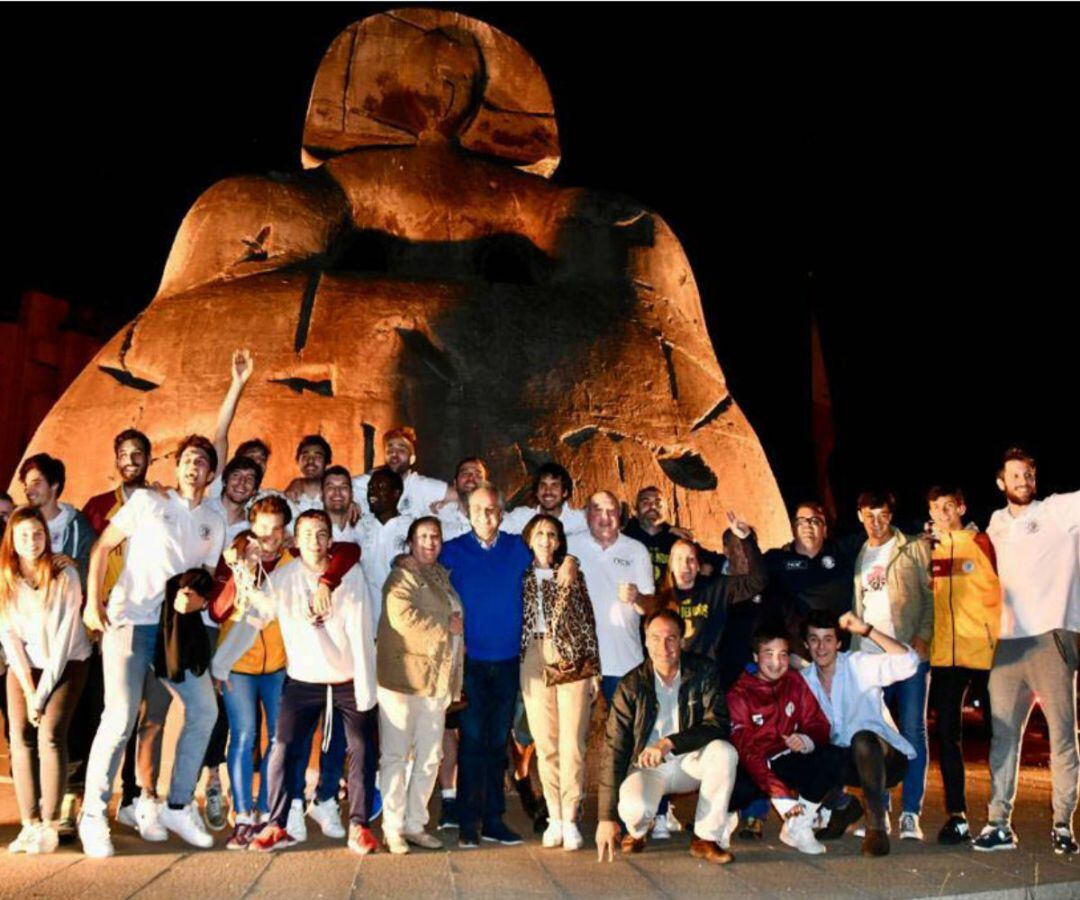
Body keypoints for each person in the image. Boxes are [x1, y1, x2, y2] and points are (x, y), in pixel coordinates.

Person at [77, 434, 226, 858]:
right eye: (187, 460)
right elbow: (104, 547)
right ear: (176, 468)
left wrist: (197, 599)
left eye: (201, 461)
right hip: (129, 620)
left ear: (210, 474)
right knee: (121, 716)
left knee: (204, 710)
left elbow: (206, 576)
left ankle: (178, 804)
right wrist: (93, 602)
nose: (193, 466)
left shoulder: (213, 521)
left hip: (176, 631)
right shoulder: (148, 502)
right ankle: (92, 815)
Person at [212, 509, 379, 855]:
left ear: (330, 540)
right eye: (306, 535)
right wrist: (222, 663)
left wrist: (366, 687)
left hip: (346, 678)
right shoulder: (286, 576)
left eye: (321, 535)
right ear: (295, 540)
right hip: (303, 681)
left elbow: (363, 630)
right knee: (283, 748)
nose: (314, 542)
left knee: (361, 748)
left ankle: (359, 825)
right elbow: (256, 616)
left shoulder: (349, 575)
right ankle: (276, 824)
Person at [438, 481, 576, 848]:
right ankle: (469, 821)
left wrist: (572, 560)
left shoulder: (518, 548)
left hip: (510, 661)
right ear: (467, 513)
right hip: (470, 665)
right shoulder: (451, 552)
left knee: (498, 741)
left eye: (493, 509)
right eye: (479, 509)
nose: (487, 515)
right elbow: (424, 581)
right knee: (472, 742)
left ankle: (495, 819)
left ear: (502, 513)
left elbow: (554, 553)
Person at [975, 449, 1080, 854]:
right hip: (1007, 645)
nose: (1024, 480)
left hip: (1051, 638)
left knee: (1062, 737)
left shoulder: (1058, 510)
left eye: (1029, 474)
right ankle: (998, 823)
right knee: (1002, 736)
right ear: (1001, 483)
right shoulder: (996, 523)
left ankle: (1063, 824)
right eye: (1016, 475)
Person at [596, 608, 738, 865]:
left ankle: (705, 838)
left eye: (671, 637)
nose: (664, 645)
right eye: (655, 637)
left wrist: (669, 743)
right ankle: (639, 831)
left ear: (682, 641)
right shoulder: (630, 685)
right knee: (635, 809)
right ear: (645, 641)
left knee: (725, 753)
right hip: (647, 767)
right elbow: (613, 749)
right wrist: (606, 818)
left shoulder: (704, 671)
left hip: (689, 761)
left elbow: (717, 724)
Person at [81, 429, 170, 840]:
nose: (131, 459)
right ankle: (91, 806)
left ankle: (135, 800)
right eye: (124, 454)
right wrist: (93, 607)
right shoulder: (100, 507)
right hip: (114, 622)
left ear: (150, 459)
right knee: (115, 717)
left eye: (138, 453)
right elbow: (94, 554)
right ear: (115, 460)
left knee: (150, 717)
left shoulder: (161, 501)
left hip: (156, 621)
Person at [0, 507, 92, 854]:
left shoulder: (64, 575)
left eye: (38, 534)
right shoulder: (5, 577)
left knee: (50, 734)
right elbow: (8, 637)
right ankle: (30, 823)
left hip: (67, 661)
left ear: (47, 537)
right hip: (26, 665)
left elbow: (63, 639)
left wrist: (39, 697)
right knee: (19, 736)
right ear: (12, 539)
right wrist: (26, 686)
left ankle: (51, 824)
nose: (32, 541)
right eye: (23, 535)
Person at [376, 516, 464, 854]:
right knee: (397, 755)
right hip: (403, 680)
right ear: (411, 542)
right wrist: (447, 625)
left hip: (436, 681)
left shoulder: (439, 575)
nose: (430, 542)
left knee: (430, 756)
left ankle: (415, 823)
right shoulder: (401, 576)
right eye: (423, 536)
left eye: (435, 537)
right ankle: (393, 827)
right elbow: (403, 618)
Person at [801, 609, 917, 856]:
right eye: (814, 639)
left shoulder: (858, 664)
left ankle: (876, 828)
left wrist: (866, 630)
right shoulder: (804, 681)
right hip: (847, 763)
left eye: (828, 639)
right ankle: (842, 808)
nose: (821, 647)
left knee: (862, 739)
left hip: (885, 760)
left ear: (839, 643)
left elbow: (909, 662)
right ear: (806, 645)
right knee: (803, 747)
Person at [852, 490, 933, 840]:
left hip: (907, 654)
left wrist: (924, 636)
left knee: (912, 731)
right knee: (875, 734)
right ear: (860, 517)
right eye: (869, 515)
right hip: (870, 658)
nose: (876, 521)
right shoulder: (858, 554)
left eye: (883, 514)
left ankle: (910, 813)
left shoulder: (913, 547)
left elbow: (932, 595)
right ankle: (878, 812)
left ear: (891, 515)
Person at [925, 485, 1001, 845]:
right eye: (936, 508)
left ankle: (1001, 816)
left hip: (985, 653)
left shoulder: (985, 543)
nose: (943, 513)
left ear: (962, 507)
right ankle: (957, 816)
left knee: (997, 735)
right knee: (947, 736)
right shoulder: (931, 549)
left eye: (949, 506)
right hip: (945, 656)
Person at [518, 513, 600, 851]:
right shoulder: (518, 574)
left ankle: (570, 816)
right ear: (529, 537)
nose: (546, 539)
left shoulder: (570, 572)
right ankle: (553, 815)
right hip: (532, 655)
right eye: (540, 533)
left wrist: (593, 667)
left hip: (569, 656)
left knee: (573, 743)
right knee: (545, 742)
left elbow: (587, 619)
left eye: (552, 534)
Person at [726, 623, 841, 855]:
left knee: (834, 756)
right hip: (750, 767)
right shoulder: (739, 693)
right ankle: (721, 820)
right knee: (730, 784)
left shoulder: (795, 682)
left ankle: (799, 825)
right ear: (756, 656)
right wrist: (780, 794)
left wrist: (806, 739)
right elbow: (747, 750)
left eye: (783, 655)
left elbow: (819, 723)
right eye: (769, 654)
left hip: (782, 759)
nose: (777, 662)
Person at [568, 491, 655, 704]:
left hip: (624, 662)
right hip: (579, 662)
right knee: (576, 734)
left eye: (611, 510)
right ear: (587, 515)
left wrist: (637, 597)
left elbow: (650, 608)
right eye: (598, 510)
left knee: (625, 733)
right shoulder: (569, 545)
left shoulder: (636, 550)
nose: (605, 517)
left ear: (620, 515)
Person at [763, 500, 857, 626]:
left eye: (814, 521)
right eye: (801, 521)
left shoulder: (842, 552)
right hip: (798, 642)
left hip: (842, 641)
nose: (807, 525)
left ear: (824, 530)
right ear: (793, 529)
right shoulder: (777, 560)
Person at [18, 454, 94, 588]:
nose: (29, 491)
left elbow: (97, 568)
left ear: (54, 485)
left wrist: (75, 565)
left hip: (66, 604)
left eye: (36, 483)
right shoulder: (20, 524)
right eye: (26, 485)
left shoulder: (78, 525)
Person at [622, 486, 717, 583]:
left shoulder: (677, 540)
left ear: (666, 509)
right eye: (645, 503)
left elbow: (713, 560)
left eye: (658, 503)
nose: (652, 507)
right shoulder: (624, 538)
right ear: (636, 510)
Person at [352, 427, 450, 519]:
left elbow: (457, 496)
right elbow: (341, 486)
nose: (394, 454)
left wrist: (445, 507)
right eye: (389, 450)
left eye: (401, 450)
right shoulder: (368, 482)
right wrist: (350, 503)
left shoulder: (421, 486)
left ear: (412, 459)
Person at [501, 463, 587, 537]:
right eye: (543, 485)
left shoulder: (580, 520)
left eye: (554, 485)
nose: (548, 491)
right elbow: (496, 523)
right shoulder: (523, 518)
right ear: (536, 492)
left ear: (564, 492)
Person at [436, 457, 489, 542]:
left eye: (478, 475)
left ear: (486, 486)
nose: (471, 477)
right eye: (465, 473)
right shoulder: (439, 519)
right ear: (455, 483)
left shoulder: (497, 520)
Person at [286, 435, 333, 517]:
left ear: (327, 462)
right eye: (305, 456)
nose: (310, 461)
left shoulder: (336, 497)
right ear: (298, 461)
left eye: (317, 457)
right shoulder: (289, 497)